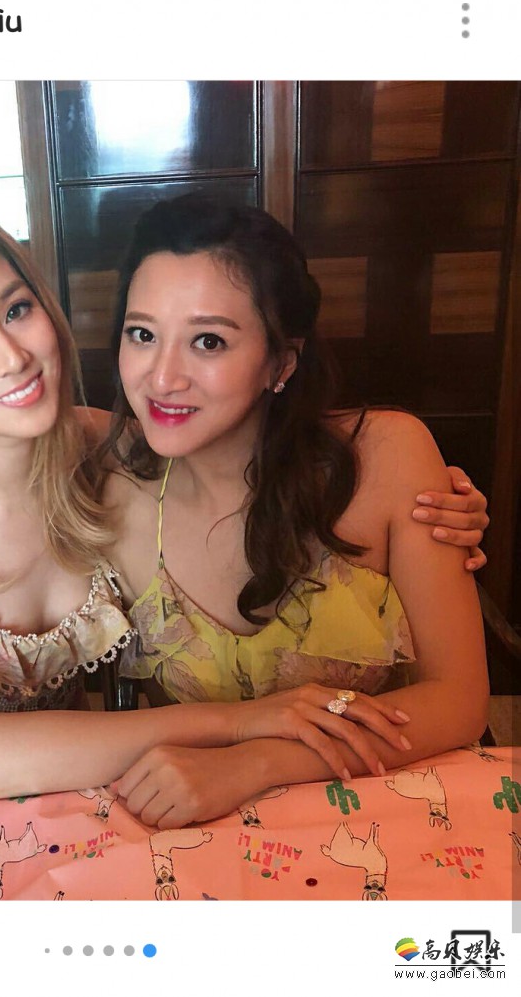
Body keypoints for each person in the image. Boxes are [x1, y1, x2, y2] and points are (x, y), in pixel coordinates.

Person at [0, 199, 421, 809]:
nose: (12, 356)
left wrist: (433, 500)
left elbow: (238, 441)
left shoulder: (103, 450)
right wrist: (242, 722)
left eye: (16, 310)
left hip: (59, 795)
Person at [98, 194, 489, 827]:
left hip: (382, 812)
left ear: (280, 362)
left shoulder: (388, 456)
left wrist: (255, 763)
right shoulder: (114, 482)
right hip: (202, 832)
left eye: (207, 341)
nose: (162, 378)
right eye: (142, 334)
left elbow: (460, 700)